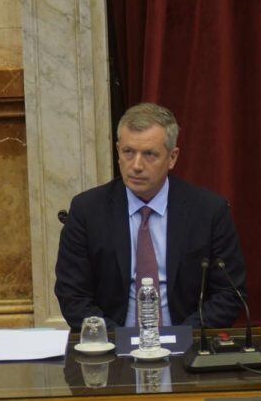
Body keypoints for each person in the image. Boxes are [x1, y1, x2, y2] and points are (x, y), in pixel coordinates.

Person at [55, 103, 246, 330]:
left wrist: (182, 338)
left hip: (187, 345)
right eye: (128, 152)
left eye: (149, 154)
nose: (136, 165)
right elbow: (73, 297)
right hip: (112, 348)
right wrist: (118, 341)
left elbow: (229, 293)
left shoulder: (208, 211)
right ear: (118, 152)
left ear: (172, 157)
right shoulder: (87, 210)